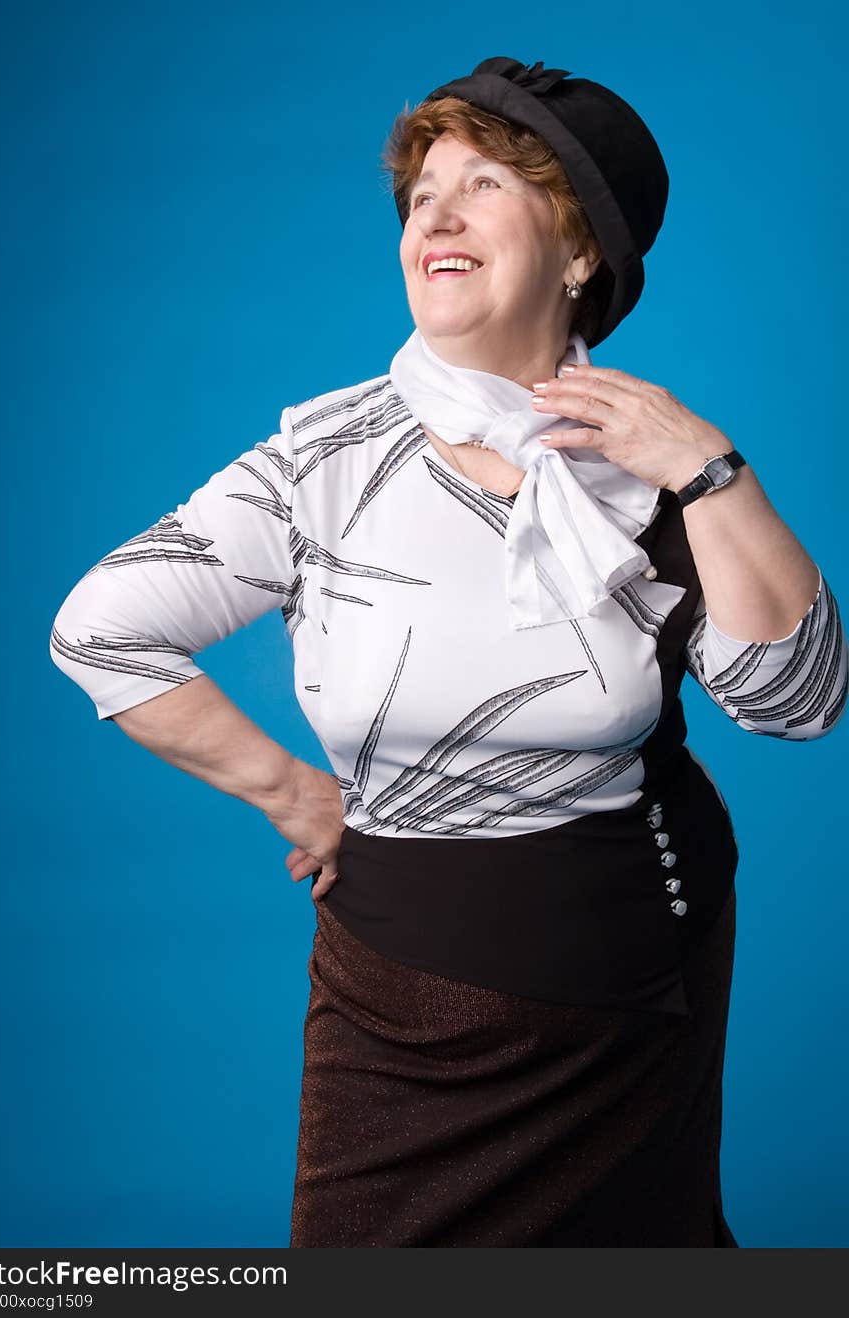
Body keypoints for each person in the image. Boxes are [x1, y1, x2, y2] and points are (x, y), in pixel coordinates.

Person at [49, 56, 848, 1247]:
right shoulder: (325, 462)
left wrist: (708, 467)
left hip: (636, 973)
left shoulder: (649, 459)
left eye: (483, 183)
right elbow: (99, 627)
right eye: (423, 193)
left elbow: (797, 700)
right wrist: (296, 795)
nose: (438, 212)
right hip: (399, 986)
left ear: (580, 254)